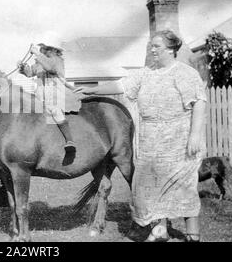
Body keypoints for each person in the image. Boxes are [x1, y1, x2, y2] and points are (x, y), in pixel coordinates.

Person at [75, 30, 207, 242]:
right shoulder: (146, 73)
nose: (152, 50)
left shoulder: (185, 74)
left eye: (157, 46)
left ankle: (193, 235)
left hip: (179, 141)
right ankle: (160, 232)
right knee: (149, 189)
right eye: (151, 46)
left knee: (183, 187)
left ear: (171, 49)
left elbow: (199, 103)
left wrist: (195, 137)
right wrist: (91, 91)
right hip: (150, 142)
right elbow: (120, 85)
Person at [18, 43, 81, 166]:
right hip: (42, 99)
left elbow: (50, 67)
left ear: (54, 50)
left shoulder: (57, 61)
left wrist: (37, 53)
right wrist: (22, 68)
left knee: (55, 111)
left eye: (46, 48)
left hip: (58, 97)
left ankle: (70, 141)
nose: (43, 50)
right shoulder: (41, 62)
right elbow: (30, 73)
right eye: (43, 48)